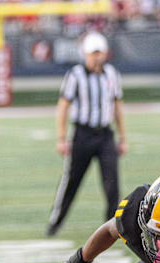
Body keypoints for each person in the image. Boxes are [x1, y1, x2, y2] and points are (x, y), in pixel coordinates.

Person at [46, 31, 127, 237]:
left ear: (105, 53)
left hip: (105, 135)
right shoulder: (75, 75)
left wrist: (123, 137)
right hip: (82, 134)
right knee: (71, 181)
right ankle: (55, 222)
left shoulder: (112, 74)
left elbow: (117, 106)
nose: (96, 57)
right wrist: (61, 138)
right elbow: (63, 106)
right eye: (93, 53)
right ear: (85, 54)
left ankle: (112, 229)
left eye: (99, 53)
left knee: (112, 184)